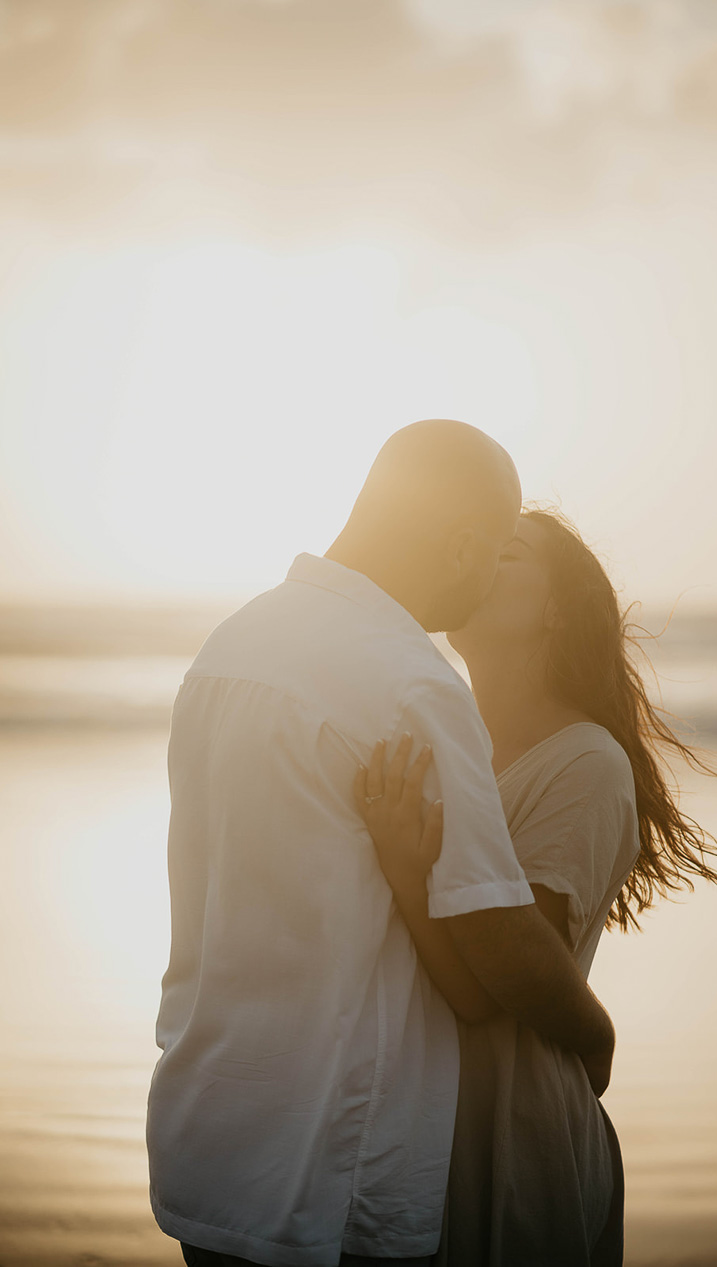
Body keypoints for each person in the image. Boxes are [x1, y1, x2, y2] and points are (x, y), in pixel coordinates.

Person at [147, 422, 616, 1267]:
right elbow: (492, 943)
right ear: (461, 544)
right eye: (490, 557)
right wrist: (593, 1032)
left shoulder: (232, 646)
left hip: (212, 1138)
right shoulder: (409, 681)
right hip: (339, 1165)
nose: (475, 595)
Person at [357, 509, 717, 1266]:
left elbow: (487, 985)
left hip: (514, 1123)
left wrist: (407, 872)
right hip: (426, 1115)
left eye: (508, 554)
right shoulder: (444, 742)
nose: (475, 557)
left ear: (554, 610)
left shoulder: (585, 764)